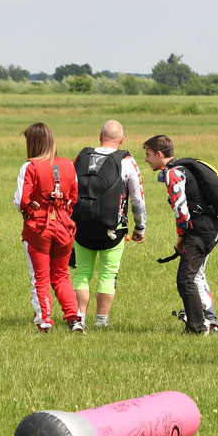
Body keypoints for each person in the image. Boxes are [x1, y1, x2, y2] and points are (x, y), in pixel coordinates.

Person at [71, 120, 147, 327]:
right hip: (113, 229)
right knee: (108, 273)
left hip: (81, 226)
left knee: (82, 272)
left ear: (99, 135)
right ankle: (101, 321)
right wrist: (140, 227)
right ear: (122, 139)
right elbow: (137, 198)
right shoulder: (127, 161)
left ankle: (79, 318)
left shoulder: (82, 156)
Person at [143, 134, 218, 335]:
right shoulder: (185, 168)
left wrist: (180, 237)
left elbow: (181, 210)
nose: (146, 159)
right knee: (196, 276)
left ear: (159, 154)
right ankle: (209, 321)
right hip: (212, 225)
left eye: (148, 154)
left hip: (199, 230)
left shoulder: (173, 174)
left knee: (186, 279)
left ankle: (196, 327)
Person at [14, 123, 82, 332]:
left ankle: (44, 321)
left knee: (40, 277)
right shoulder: (69, 164)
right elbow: (74, 197)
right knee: (61, 274)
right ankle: (74, 317)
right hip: (64, 227)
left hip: (39, 229)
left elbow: (20, 201)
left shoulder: (30, 166)